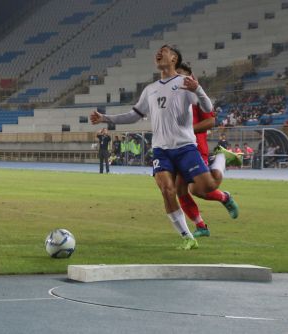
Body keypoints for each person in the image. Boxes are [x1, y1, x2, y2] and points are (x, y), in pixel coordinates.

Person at [90, 45, 240, 250]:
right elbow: (133, 115)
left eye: (164, 50)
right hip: (162, 150)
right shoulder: (150, 90)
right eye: (157, 51)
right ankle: (187, 236)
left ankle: (221, 158)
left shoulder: (184, 83)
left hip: (186, 147)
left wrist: (198, 90)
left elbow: (208, 109)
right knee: (167, 190)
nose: (158, 53)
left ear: (174, 58)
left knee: (207, 188)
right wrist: (104, 118)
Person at [174, 62, 239, 238]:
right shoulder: (171, 99)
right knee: (180, 189)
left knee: (200, 190)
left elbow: (211, 122)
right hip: (176, 150)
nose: (178, 79)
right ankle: (201, 226)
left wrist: (187, 131)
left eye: (181, 75)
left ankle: (221, 159)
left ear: (191, 77)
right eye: (175, 75)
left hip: (195, 148)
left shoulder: (196, 98)